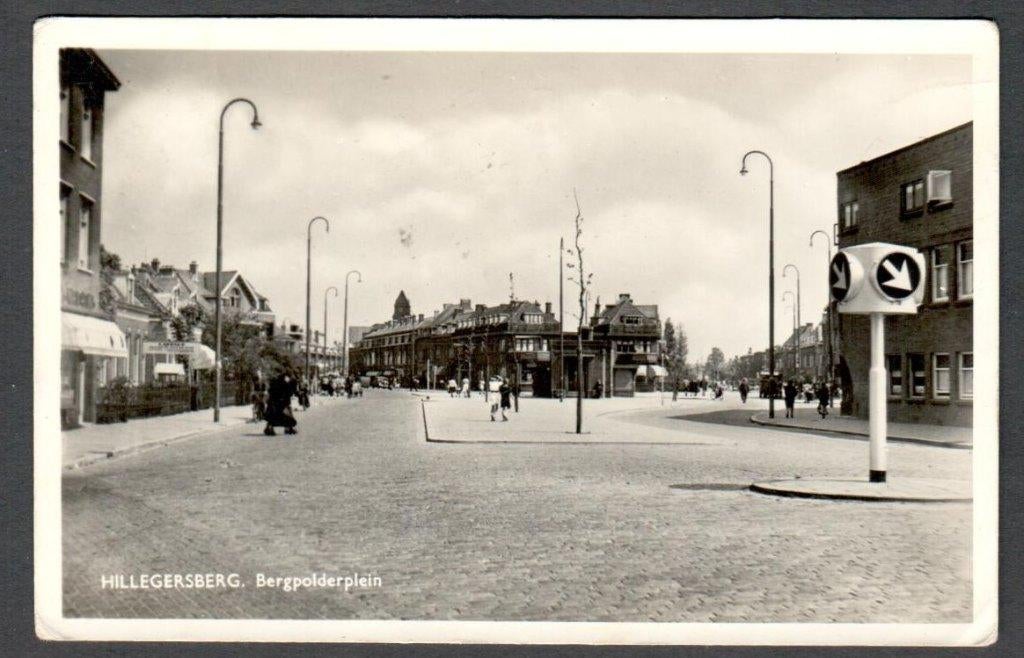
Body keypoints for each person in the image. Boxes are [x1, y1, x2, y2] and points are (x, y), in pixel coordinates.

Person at [264, 371, 298, 436]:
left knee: (274, 416)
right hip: (281, 402)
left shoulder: (274, 380)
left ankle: (270, 428)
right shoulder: (285, 381)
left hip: (275, 401)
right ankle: (288, 428)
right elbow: (288, 390)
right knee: (286, 416)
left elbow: (270, 391)